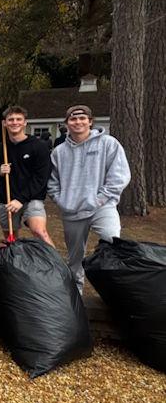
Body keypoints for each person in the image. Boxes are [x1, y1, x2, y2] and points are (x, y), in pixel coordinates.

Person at [47, 104, 130, 294]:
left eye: (82, 118)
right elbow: (52, 182)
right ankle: (77, 296)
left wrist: (101, 199)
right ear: (67, 123)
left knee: (113, 243)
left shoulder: (108, 144)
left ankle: (115, 290)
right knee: (75, 259)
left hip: (102, 207)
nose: (78, 122)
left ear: (90, 122)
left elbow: (120, 175)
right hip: (72, 212)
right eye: (73, 119)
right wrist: (62, 201)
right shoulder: (58, 152)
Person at [0, 106, 54, 246]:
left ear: (25, 123)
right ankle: (16, 265)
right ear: (4, 123)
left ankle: (57, 267)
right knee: (11, 239)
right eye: (10, 119)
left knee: (40, 232)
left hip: (32, 198)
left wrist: (21, 199)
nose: (14, 122)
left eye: (19, 119)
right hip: (7, 199)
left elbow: (41, 178)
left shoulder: (39, 147)